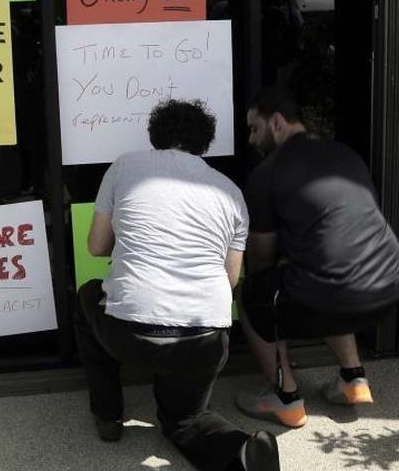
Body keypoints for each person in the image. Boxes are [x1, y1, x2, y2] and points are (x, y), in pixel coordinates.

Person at [74, 99, 280, 471]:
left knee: (89, 296)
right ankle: (243, 451)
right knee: (186, 420)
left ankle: (108, 417)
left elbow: (96, 246)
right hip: (204, 339)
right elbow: (230, 279)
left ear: (155, 137)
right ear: (205, 144)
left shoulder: (125, 167)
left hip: (129, 334)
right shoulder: (231, 192)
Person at [234, 88, 399, 428]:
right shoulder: (344, 155)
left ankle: (285, 399)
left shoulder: (268, 172)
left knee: (253, 293)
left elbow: (261, 259)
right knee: (324, 277)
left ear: (277, 122)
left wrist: (268, 277)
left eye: (254, 128)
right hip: (389, 287)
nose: (251, 139)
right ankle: (353, 380)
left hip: (334, 294)